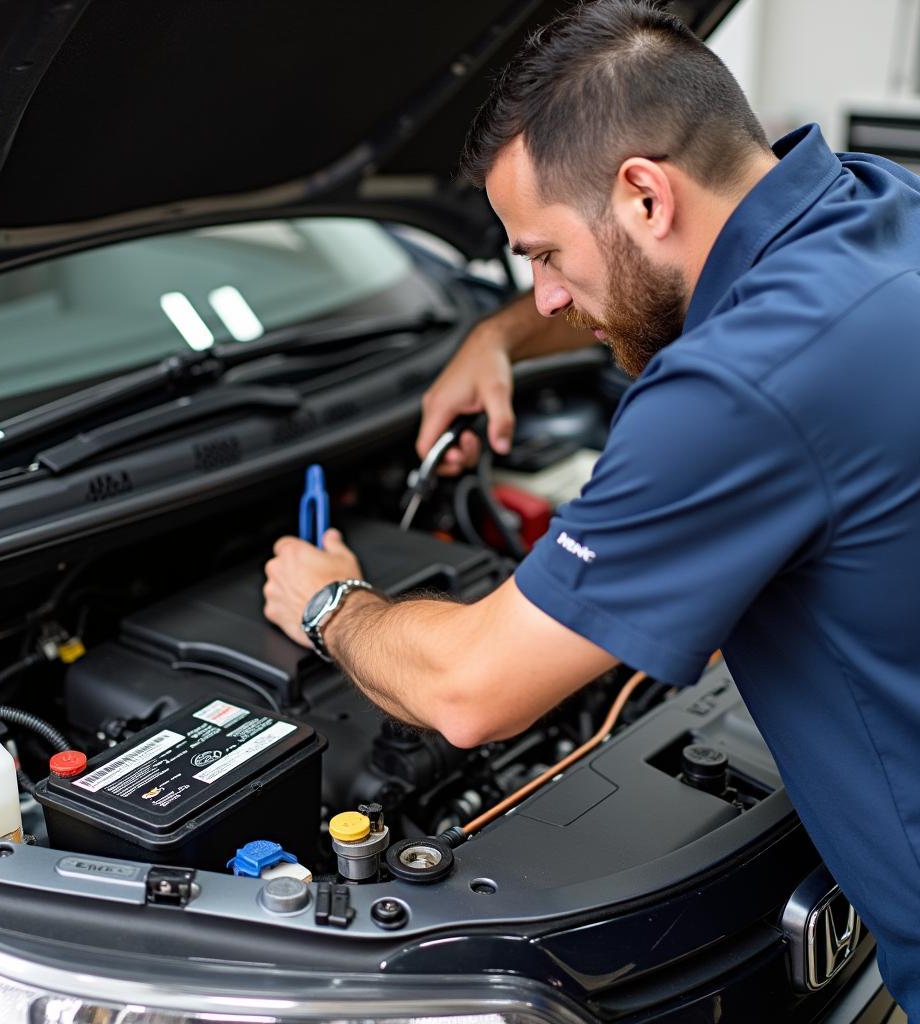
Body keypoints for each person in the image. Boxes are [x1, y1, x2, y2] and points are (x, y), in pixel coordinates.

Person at [263, 0, 920, 1008]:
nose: (550, 293)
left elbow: (468, 691)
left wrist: (327, 602)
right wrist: (495, 338)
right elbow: (649, 283)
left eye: (540, 253)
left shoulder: (738, 387)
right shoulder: (879, 210)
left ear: (644, 194)